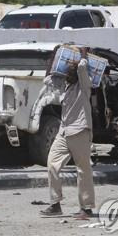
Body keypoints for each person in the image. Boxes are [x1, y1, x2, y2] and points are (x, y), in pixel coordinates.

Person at [40, 47, 95, 219]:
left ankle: (86, 208)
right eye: (67, 72)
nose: (68, 75)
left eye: (71, 72)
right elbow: (48, 79)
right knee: (52, 163)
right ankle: (55, 204)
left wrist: (83, 56)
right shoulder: (66, 87)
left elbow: (82, 69)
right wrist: (54, 59)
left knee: (83, 169)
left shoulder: (84, 86)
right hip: (64, 132)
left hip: (79, 131)